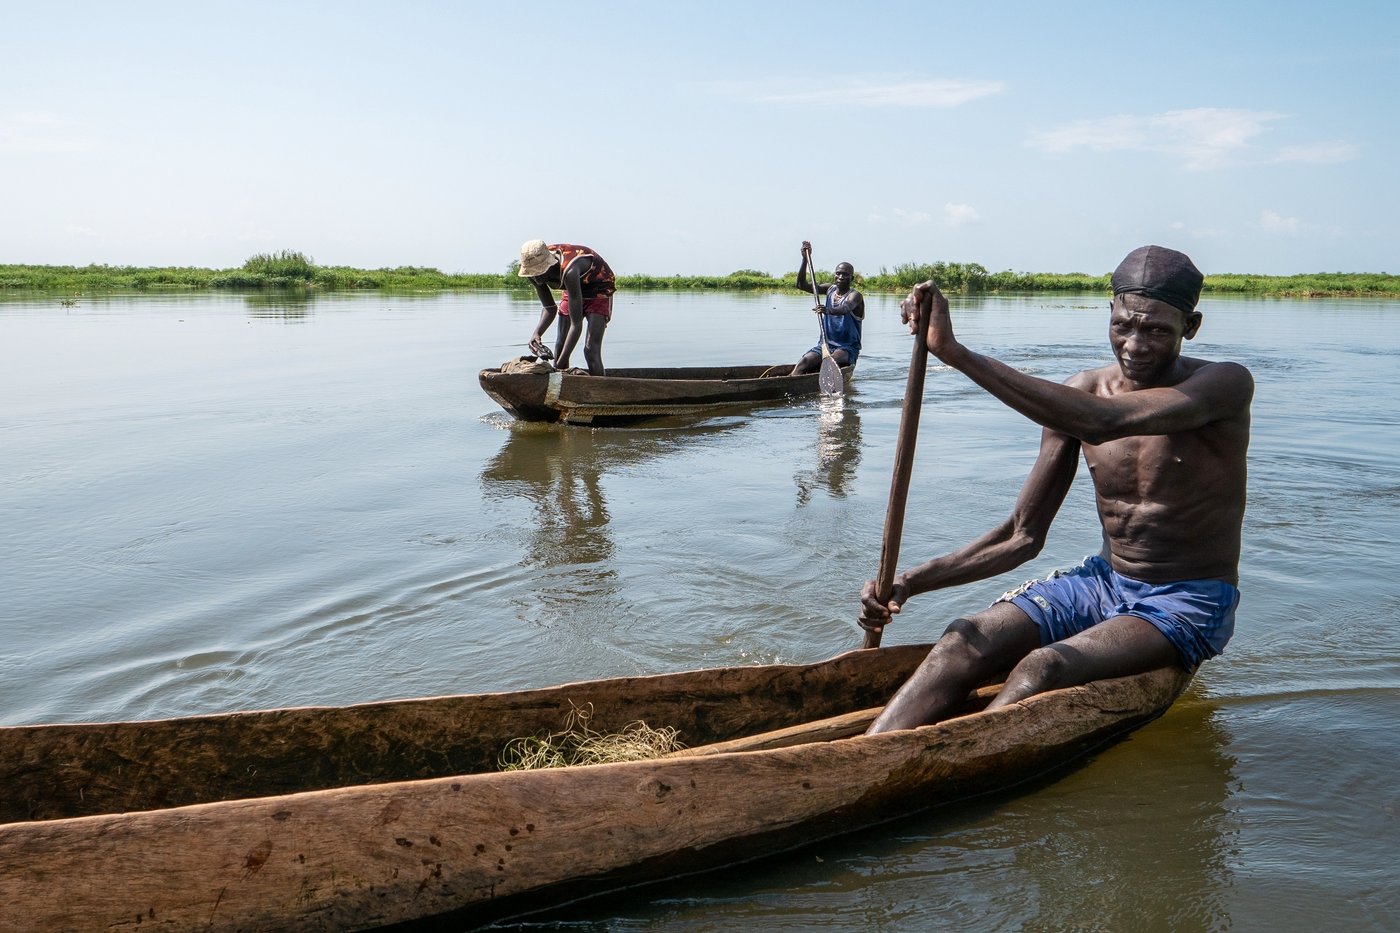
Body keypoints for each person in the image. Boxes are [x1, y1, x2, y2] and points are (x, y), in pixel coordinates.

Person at [860, 245, 1253, 734]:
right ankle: (867, 751)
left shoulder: (1224, 385)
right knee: (961, 639)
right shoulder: (1083, 392)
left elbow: (1104, 422)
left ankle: (959, 759)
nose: (1134, 345)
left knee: (1041, 666)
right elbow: (1022, 535)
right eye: (1123, 326)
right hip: (1102, 582)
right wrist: (911, 582)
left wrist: (955, 354)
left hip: (1188, 598)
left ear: (1190, 327)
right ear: (1108, 315)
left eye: (1156, 330)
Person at [519, 239, 617, 376]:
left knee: (590, 350)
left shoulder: (569, 271)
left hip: (598, 288)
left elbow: (576, 325)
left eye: (538, 273)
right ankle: (560, 389)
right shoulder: (533, 272)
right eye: (532, 274)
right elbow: (549, 308)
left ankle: (599, 392)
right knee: (560, 345)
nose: (535, 278)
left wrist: (558, 366)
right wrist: (537, 333)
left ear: (548, 266)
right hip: (573, 288)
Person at [791, 241, 864, 375]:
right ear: (835, 275)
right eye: (838, 273)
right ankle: (793, 383)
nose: (841, 277)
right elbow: (801, 285)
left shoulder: (855, 296)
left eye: (845, 275)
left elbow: (845, 308)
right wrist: (804, 260)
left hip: (847, 349)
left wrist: (828, 310)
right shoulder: (830, 289)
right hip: (825, 345)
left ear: (851, 278)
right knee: (804, 363)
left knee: (830, 361)